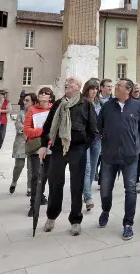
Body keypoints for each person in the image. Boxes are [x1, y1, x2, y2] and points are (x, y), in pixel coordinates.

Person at [39, 76, 98, 236]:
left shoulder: (85, 104)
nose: (67, 85)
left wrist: (83, 145)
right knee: (55, 183)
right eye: (66, 83)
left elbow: (93, 130)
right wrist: (44, 145)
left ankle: (76, 220)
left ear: (78, 88)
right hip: (58, 148)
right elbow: (47, 127)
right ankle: (51, 216)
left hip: (77, 149)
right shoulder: (58, 104)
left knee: (76, 185)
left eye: (70, 84)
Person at [97, 78, 140, 240]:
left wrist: (133, 143)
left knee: (130, 189)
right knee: (105, 189)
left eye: (119, 86)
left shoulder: (137, 106)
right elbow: (99, 126)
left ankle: (128, 224)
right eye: (115, 85)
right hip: (109, 155)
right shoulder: (107, 106)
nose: (115, 87)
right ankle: (105, 210)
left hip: (130, 156)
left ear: (128, 90)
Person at [24, 87, 54, 217]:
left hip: (50, 147)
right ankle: (33, 205)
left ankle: (40, 196)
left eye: (46, 93)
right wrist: (43, 130)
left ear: (50, 97)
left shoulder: (54, 110)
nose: (43, 94)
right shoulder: (32, 110)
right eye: (41, 93)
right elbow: (27, 130)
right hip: (36, 146)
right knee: (36, 175)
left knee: (46, 174)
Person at [81, 78, 101, 211]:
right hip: (85, 140)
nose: (94, 91)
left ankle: (85, 191)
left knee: (93, 168)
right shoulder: (82, 103)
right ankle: (88, 197)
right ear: (87, 89)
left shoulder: (101, 103)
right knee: (87, 168)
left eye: (96, 89)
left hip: (97, 139)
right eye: (91, 89)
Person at [9, 93, 34, 195]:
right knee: (19, 165)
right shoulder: (21, 113)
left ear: (33, 102)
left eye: (27, 100)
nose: (24, 102)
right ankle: (14, 181)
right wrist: (28, 129)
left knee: (31, 166)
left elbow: (38, 127)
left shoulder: (36, 113)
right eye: (24, 100)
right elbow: (18, 125)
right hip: (21, 142)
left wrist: (27, 128)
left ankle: (29, 187)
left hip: (33, 142)